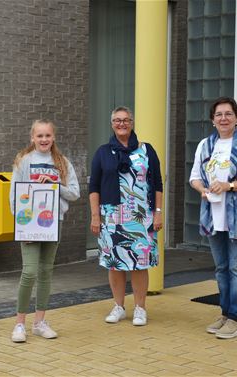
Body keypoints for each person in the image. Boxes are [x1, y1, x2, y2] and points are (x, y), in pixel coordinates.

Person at [189, 97, 237, 339]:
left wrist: (229, 185)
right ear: (213, 120)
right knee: (222, 269)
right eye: (219, 115)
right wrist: (202, 190)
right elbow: (194, 177)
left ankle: (236, 319)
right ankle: (225, 314)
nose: (223, 118)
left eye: (228, 114)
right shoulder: (205, 145)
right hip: (213, 217)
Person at [89, 106, 163, 327]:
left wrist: (158, 213)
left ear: (132, 123)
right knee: (115, 262)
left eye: (126, 120)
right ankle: (119, 306)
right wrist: (95, 216)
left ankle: (140, 308)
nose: (122, 124)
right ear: (112, 124)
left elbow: (157, 183)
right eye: (117, 120)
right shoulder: (103, 152)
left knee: (140, 263)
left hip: (141, 216)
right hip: (112, 217)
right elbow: (94, 187)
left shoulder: (146, 150)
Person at [9, 119, 80, 343]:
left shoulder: (62, 162)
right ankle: (20, 323)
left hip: (52, 223)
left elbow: (75, 193)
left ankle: (39, 322)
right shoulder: (23, 161)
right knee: (29, 272)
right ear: (32, 137)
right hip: (29, 224)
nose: (43, 139)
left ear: (53, 137)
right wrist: (22, 226)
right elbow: (14, 196)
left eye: (47, 135)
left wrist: (55, 184)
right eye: (39, 136)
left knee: (46, 272)